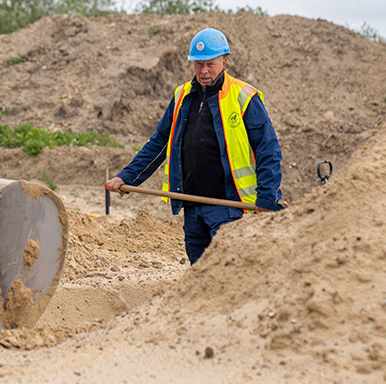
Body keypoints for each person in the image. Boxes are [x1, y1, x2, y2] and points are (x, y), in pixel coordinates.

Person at [106, 27, 283, 264]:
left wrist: (266, 198)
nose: (204, 71)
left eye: (210, 64)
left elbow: (268, 150)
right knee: (198, 276)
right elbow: (159, 143)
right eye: (198, 64)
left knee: (226, 271)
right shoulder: (182, 95)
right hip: (192, 206)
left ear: (224, 62)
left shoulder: (243, 97)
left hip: (231, 206)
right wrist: (127, 177)